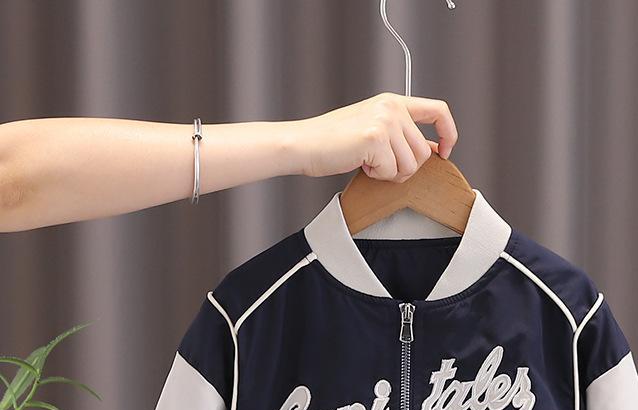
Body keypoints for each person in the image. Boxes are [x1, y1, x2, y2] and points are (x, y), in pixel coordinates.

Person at [0, 92, 458, 233]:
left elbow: (14, 181)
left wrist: (301, 142)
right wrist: (301, 142)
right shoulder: (247, 320)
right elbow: (13, 182)